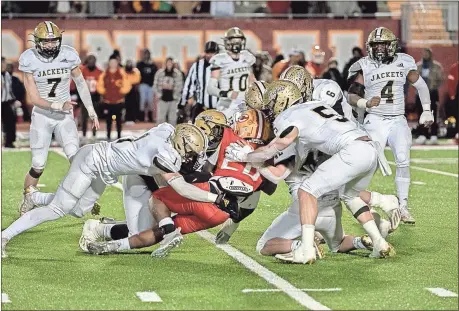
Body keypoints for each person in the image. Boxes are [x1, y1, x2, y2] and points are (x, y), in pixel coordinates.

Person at [226, 79, 395, 264]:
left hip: (316, 199)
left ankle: (306, 249)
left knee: (306, 191)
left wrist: (248, 156)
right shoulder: (317, 106)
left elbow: (278, 156)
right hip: (369, 147)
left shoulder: (287, 119)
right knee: (349, 196)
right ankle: (378, 240)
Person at [2, 123, 232, 258]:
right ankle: (4, 236)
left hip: (104, 167)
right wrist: (215, 197)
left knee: (78, 210)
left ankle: (35, 196)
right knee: (57, 210)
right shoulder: (164, 155)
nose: (191, 156)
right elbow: (181, 188)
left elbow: (165, 131)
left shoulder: (167, 130)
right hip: (92, 161)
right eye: (190, 151)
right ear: (181, 145)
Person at [347, 27, 434, 224]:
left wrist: (427, 110)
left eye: (382, 44)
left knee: (403, 160)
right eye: (375, 44)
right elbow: (351, 95)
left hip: (397, 119)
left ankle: (402, 206)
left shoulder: (404, 62)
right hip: (375, 119)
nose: (378, 48)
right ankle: (362, 202)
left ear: (391, 45)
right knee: (368, 162)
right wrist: (365, 103)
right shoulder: (365, 65)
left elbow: (420, 85)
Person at [17, 21, 99, 216]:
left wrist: (91, 109)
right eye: (46, 42)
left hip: (64, 117)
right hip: (43, 116)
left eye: (54, 41)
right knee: (38, 165)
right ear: (37, 42)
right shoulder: (29, 59)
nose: (51, 46)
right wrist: (57, 105)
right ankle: (28, 197)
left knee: (76, 159)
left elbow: (80, 83)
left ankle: (86, 198)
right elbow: (34, 98)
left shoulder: (68, 54)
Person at [206, 27, 256, 123]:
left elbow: (252, 80)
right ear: (227, 42)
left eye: (239, 40)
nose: (237, 43)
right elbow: (210, 88)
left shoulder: (247, 57)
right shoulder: (220, 60)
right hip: (227, 106)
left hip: (244, 105)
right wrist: (226, 93)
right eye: (234, 40)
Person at [179, 41, 220, 123]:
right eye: (208, 52)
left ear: (217, 53)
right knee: (197, 133)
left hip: (220, 110)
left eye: (212, 52)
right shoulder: (197, 66)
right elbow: (189, 85)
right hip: (202, 108)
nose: (210, 55)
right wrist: (182, 104)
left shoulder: (224, 66)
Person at [97, 54, 131, 140]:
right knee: (108, 120)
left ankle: (119, 136)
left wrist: (121, 92)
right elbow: (99, 85)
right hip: (108, 101)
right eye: (111, 62)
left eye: (114, 62)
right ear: (109, 63)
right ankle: (108, 135)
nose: (113, 64)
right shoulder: (104, 74)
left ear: (117, 63)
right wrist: (104, 92)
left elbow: (127, 85)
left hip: (118, 101)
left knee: (119, 120)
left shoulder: (122, 73)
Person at [414, 48, 444, 145]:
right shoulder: (418, 66)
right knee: (421, 114)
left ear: (430, 54)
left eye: (427, 53)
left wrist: (434, 87)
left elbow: (441, 79)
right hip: (420, 93)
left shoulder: (436, 66)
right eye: (424, 53)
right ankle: (423, 135)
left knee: (433, 114)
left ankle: (434, 135)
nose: (425, 55)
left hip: (432, 93)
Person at [79, 53, 103, 141]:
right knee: (84, 117)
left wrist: (101, 96)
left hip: (95, 96)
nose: (91, 62)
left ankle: (94, 134)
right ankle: (84, 134)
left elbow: (102, 85)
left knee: (95, 117)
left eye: (93, 60)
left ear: (95, 61)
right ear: (87, 61)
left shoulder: (100, 72)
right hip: (85, 96)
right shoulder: (82, 70)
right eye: (90, 60)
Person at [153, 57, 184, 126]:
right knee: (160, 119)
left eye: (171, 63)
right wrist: (159, 95)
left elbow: (180, 86)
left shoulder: (177, 74)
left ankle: (172, 135)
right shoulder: (159, 73)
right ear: (165, 63)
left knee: (172, 119)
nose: (169, 64)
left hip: (173, 100)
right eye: (168, 63)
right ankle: (160, 134)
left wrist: (175, 96)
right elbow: (155, 85)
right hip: (162, 99)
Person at [2, 57, 20, 148]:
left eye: (4, 63)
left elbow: (10, 90)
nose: (4, 65)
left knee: (10, 122)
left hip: (6, 102)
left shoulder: (8, 75)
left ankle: (9, 142)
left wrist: (15, 100)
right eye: (2, 63)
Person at [136, 49, 158, 122]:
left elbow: (156, 76)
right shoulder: (140, 64)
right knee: (142, 100)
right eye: (145, 54)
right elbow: (137, 75)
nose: (146, 56)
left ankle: (150, 117)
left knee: (150, 101)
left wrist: (155, 85)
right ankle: (141, 117)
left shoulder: (153, 65)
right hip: (143, 85)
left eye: (148, 54)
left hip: (151, 85)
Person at [123, 59, 141, 125]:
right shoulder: (123, 71)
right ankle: (126, 118)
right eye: (128, 63)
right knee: (126, 105)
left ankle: (134, 118)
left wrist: (130, 84)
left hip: (133, 90)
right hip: (125, 91)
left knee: (134, 104)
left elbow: (137, 81)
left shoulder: (136, 71)